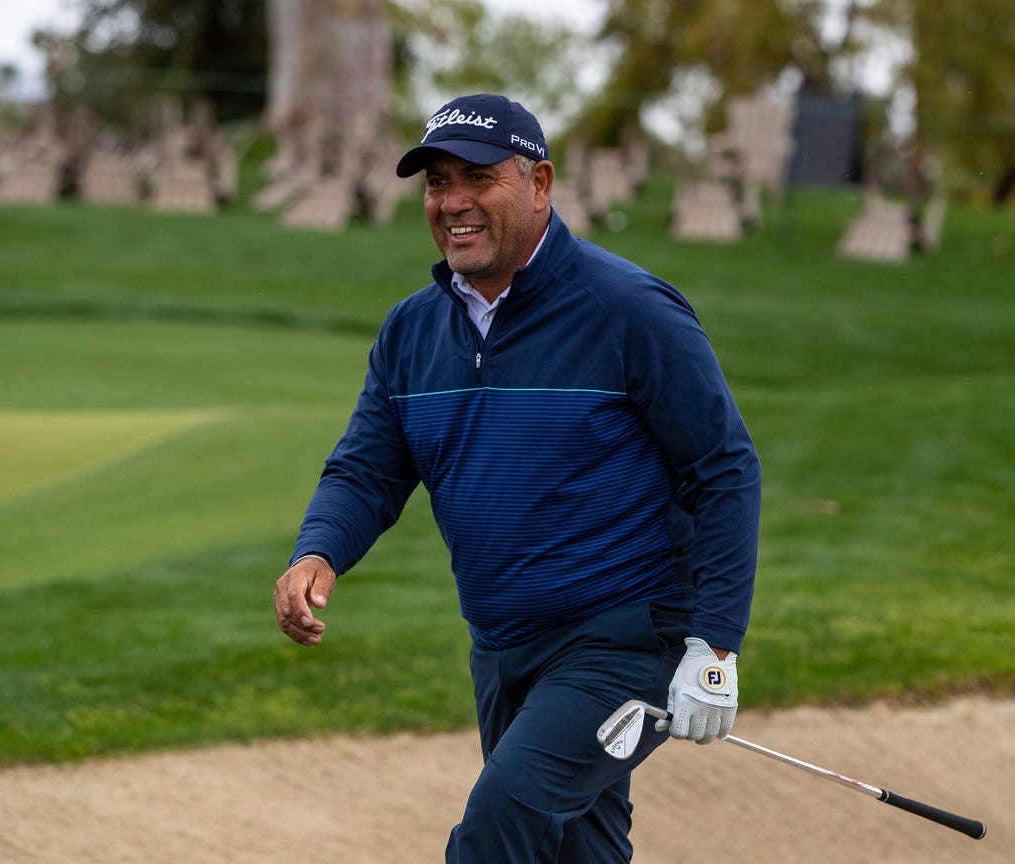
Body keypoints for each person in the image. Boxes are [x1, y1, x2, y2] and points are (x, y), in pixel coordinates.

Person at [274, 93, 761, 863]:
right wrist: (318, 551)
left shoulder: (629, 310)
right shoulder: (411, 331)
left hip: (625, 642)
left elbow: (724, 469)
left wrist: (715, 647)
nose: (453, 202)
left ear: (540, 184)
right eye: (437, 182)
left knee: (499, 828)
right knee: (576, 850)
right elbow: (369, 466)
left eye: (478, 177)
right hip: (501, 645)